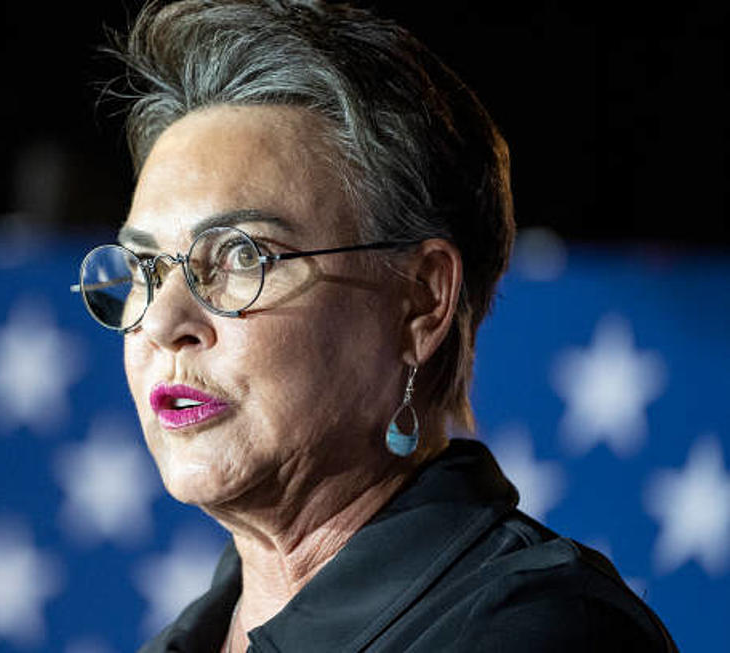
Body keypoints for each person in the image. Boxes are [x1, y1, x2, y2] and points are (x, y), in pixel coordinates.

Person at [74, 1, 679, 650]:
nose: (162, 320)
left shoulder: (541, 630)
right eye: (144, 267)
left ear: (420, 301)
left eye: (240, 255)